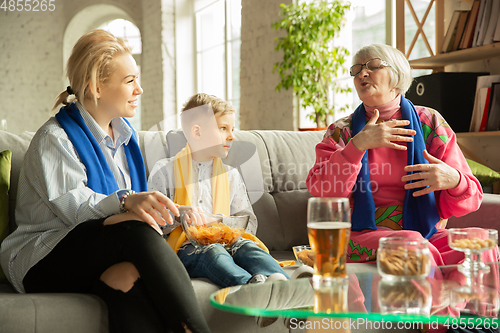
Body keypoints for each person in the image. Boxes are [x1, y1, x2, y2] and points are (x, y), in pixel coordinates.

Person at [0, 30, 211, 333]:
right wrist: (127, 200)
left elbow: (130, 209)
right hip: (41, 257)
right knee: (136, 231)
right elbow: (75, 209)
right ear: (96, 87)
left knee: (125, 278)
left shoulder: (125, 137)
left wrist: (175, 211)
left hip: (97, 249)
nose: (140, 89)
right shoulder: (55, 138)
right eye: (130, 81)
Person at [306, 43, 497, 268]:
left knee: (481, 244)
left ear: (397, 76)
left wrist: (453, 179)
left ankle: (451, 302)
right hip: (359, 235)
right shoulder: (342, 131)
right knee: (412, 245)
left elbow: (473, 195)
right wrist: (356, 146)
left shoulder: (430, 122)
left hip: (426, 232)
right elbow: (322, 191)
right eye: (356, 70)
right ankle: (437, 301)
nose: (362, 73)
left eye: (372, 66)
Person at [147, 93, 291, 288]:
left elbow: (249, 222)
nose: (232, 136)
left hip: (229, 240)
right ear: (197, 133)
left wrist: (218, 222)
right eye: (223, 128)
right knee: (214, 252)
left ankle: (291, 288)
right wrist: (180, 214)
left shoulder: (231, 175)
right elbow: (151, 221)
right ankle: (252, 290)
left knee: (249, 248)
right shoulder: (164, 170)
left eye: (232, 129)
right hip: (186, 248)